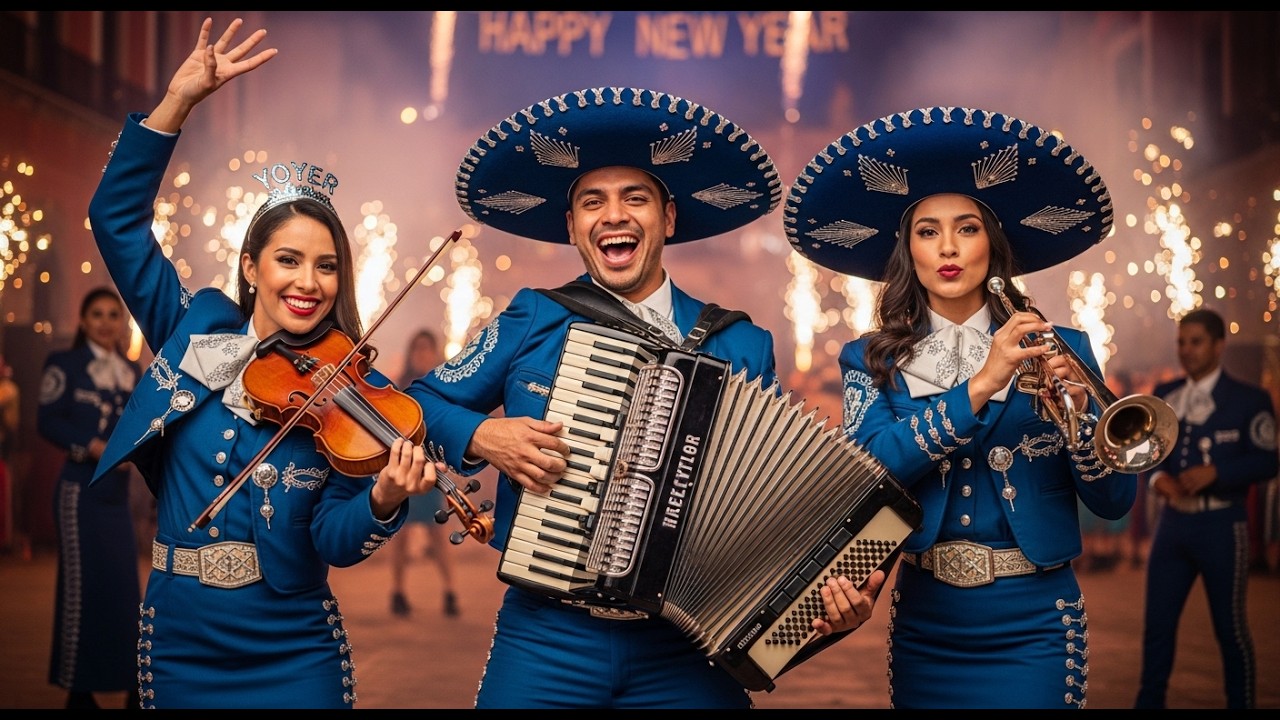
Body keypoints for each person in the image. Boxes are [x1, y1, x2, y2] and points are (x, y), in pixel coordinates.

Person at [405, 86, 886, 709]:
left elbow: (767, 508)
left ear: (669, 218)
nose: (614, 215)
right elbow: (416, 402)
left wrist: (818, 611)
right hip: (548, 631)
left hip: (686, 646)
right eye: (592, 202)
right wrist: (481, 435)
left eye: (636, 198)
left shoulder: (741, 342)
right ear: (573, 226)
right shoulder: (533, 315)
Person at [86, 18, 439, 709]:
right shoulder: (191, 332)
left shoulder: (352, 396)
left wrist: (383, 499)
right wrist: (175, 105)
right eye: (288, 260)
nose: (308, 282)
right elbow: (116, 221)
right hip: (182, 638)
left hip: (293, 644)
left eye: (327, 266)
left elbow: (334, 541)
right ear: (251, 267)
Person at [784, 106, 1139, 708]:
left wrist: (1080, 422)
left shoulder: (1065, 348)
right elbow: (871, 469)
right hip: (929, 621)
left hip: (1036, 621)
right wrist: (981, 383)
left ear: (992, 245)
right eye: (928, 231)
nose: (948, 247)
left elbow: (1113, 500)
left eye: (967, 228)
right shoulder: (866, 359)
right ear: (908, 251)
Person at [1134, 308, 1278, 709]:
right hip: (1173, 524)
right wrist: (1159, 478)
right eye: (1182, 341)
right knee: (1157, 628)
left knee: (1230, 629)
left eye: (1196, 342)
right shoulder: (1165, 394)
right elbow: (1149, 452)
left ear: (1219, 345)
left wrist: (1218, 471)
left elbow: (1268, 461)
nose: (1186, 350)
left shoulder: (1249, 399)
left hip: (1222, 524)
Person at [36, 287, 141, 710]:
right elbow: (47, 421)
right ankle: (79, 691)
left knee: (123, 589)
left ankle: (133, 685)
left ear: (121, 322)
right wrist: (92, 446)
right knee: (83, 589)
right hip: (79, 491)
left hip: (117, 497)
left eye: (113, 315)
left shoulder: (133, 372)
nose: (104, 322)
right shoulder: (65, 365)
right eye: (96, 314)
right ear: (82, 321)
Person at [388, 328, 458, 618]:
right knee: (401, 533)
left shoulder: (446, 385)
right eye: (417, 350)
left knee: (436, 534)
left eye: (427, 350)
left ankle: (450, 591)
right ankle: (398, 591)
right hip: (406, 466)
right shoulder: (400, 387)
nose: (422, 355)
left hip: (432, 469)